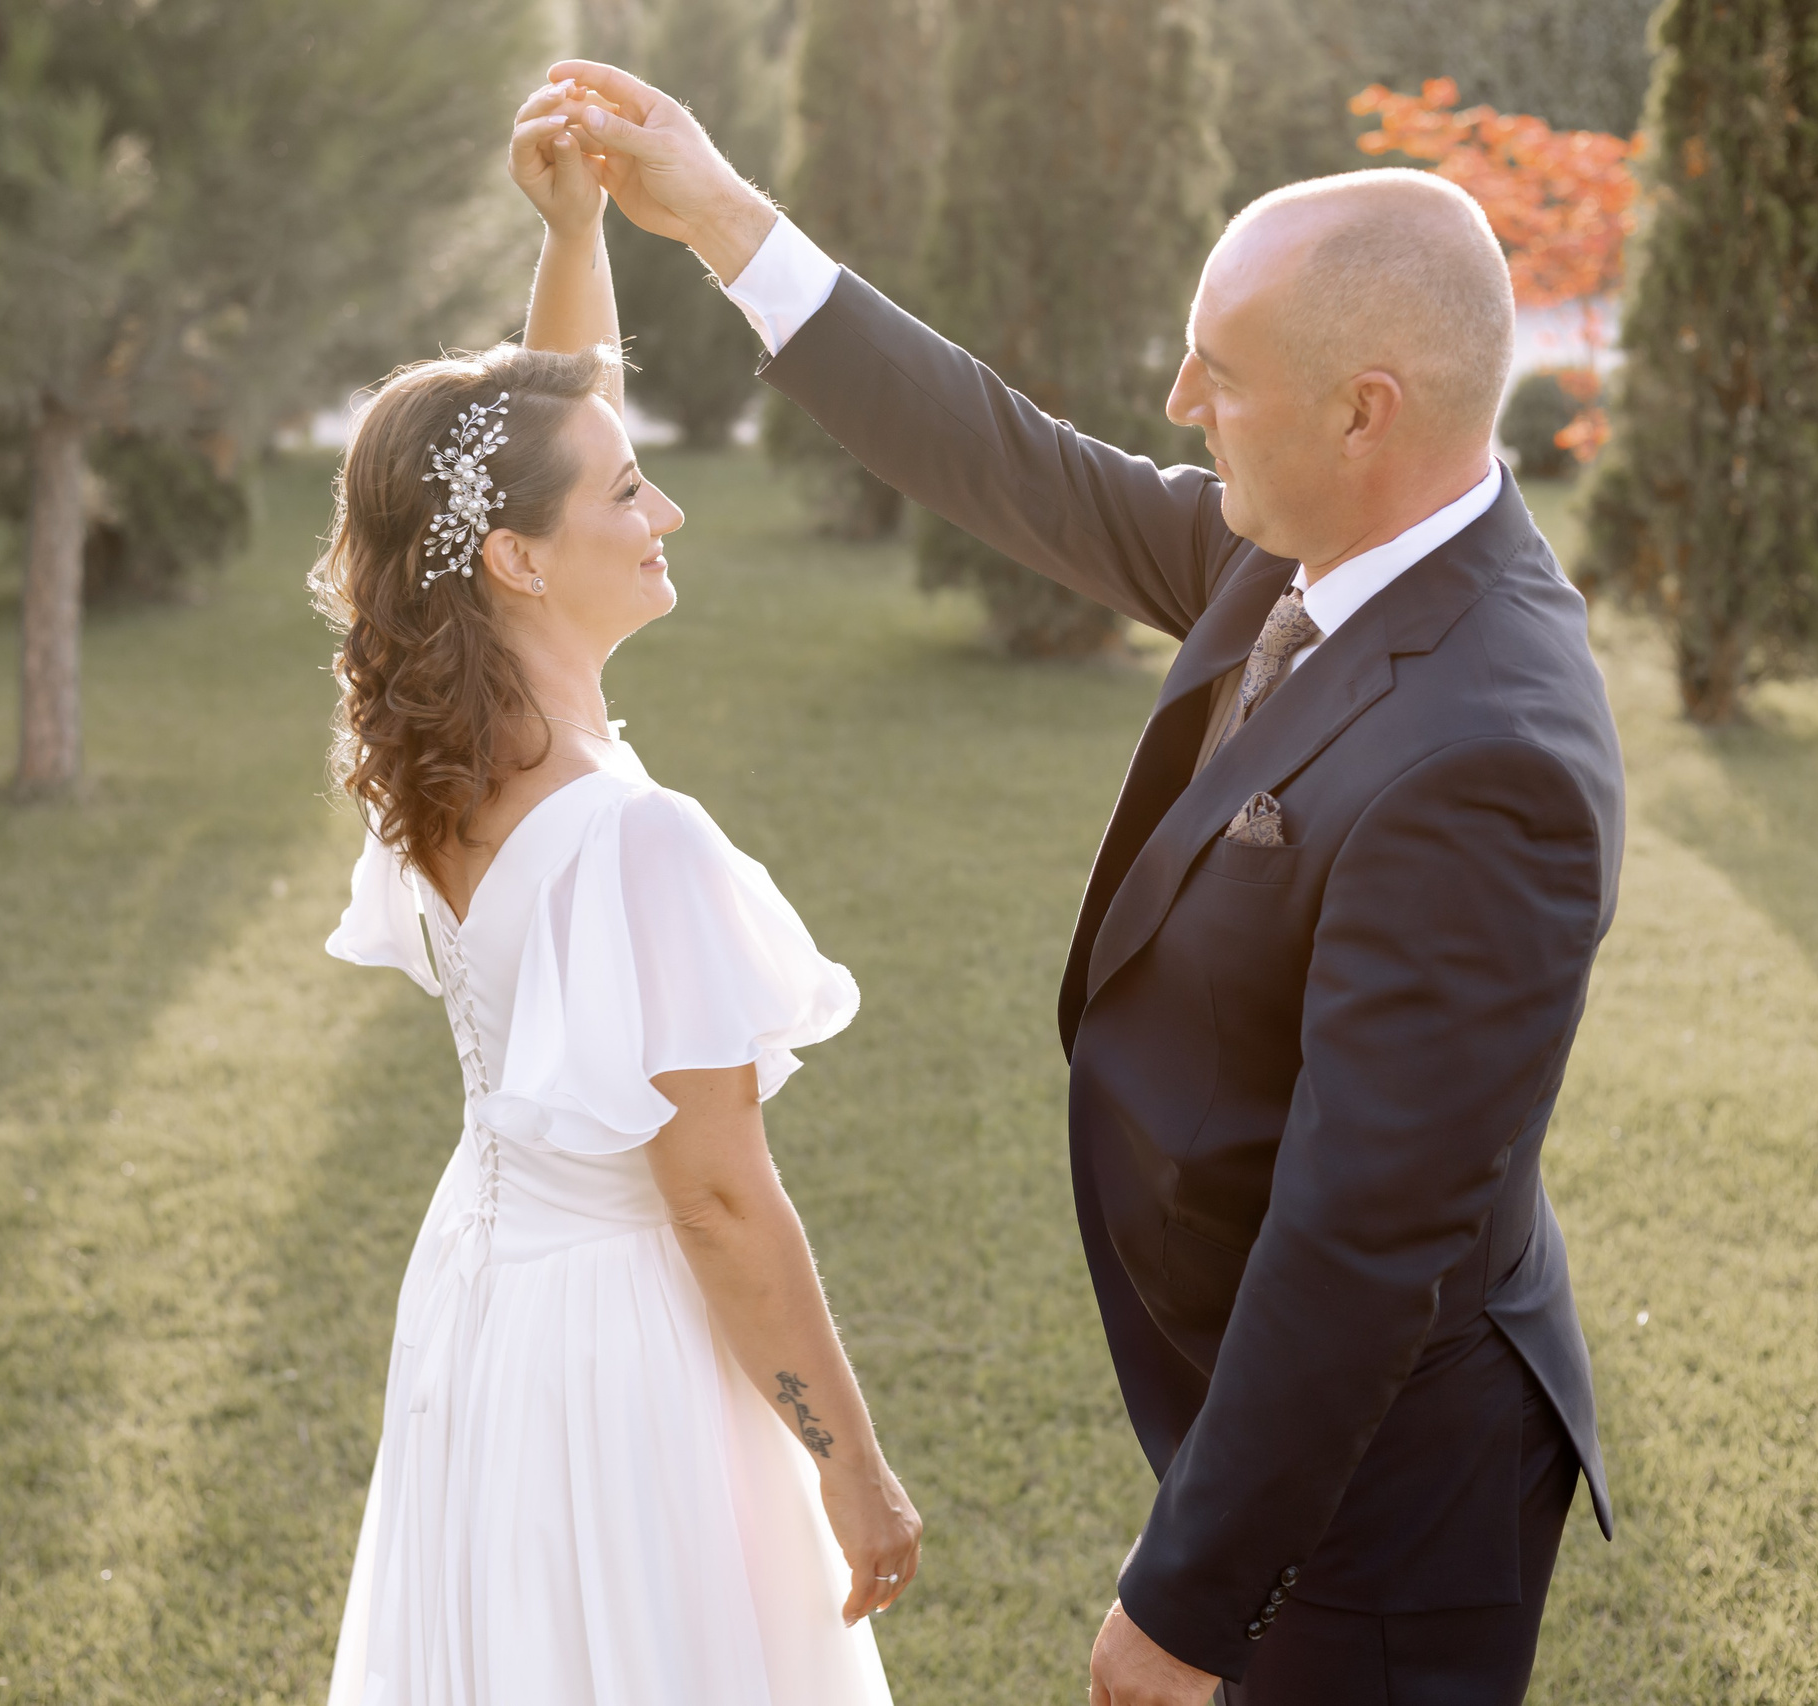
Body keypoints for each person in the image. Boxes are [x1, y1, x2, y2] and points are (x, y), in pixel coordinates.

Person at [541, 61, 1626, 1706]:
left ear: (1367, 408)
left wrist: (1189, 1604)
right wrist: (714, 214)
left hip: (1389, 1497)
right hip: (1263, 1405)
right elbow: (1015, 463)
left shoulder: (1492, 760)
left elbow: (1364, 1237)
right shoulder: (1306, 540)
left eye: (1223, 371)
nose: (1181, 399)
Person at [310, 81, 917, 1706]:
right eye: (628, 494)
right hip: (629, 1350)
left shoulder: (441, 767)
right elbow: (719, 1197)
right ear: (515, 559)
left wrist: (575, 235)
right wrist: (852, 1464)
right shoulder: (637, 841)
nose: (667, 510)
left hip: (490, 1314)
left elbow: (533, 443)